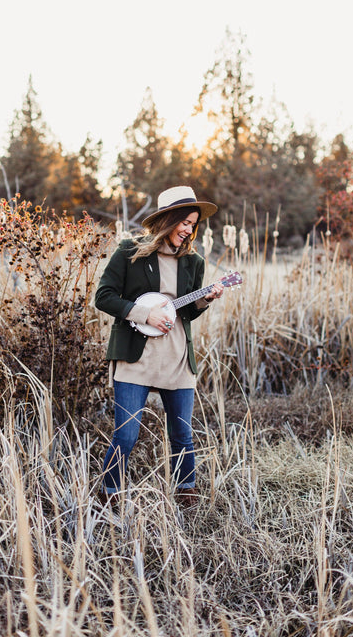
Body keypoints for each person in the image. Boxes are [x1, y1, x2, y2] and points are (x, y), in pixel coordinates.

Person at [95, 185, 223, 508]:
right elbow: (104, 296)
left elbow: (188, 312)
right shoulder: (129, 252)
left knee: (182, 433)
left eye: (193, 224)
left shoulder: (193, 262)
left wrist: (205, 299)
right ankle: (110, 494)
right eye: (185, 222)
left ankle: (186, 494)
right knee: (126, 435)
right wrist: (144, 313)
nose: (189, 230)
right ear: (168, 220)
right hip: (135, 358)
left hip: (177, 357)